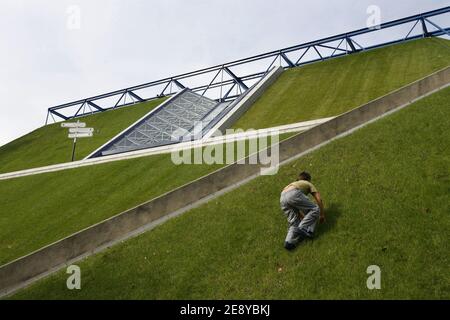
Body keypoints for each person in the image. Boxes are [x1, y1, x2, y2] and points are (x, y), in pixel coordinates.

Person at [280, 171, 325, 250]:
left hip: (282, 197)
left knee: (294, 222)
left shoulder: (293, 184)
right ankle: (303, 229)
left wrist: (304, 218)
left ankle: (288, 242)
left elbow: (297, 210)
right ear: (308, 179)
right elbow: (319, 199)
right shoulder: (307, 183)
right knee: (315, 209)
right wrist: (321, 214)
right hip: (293, 193)